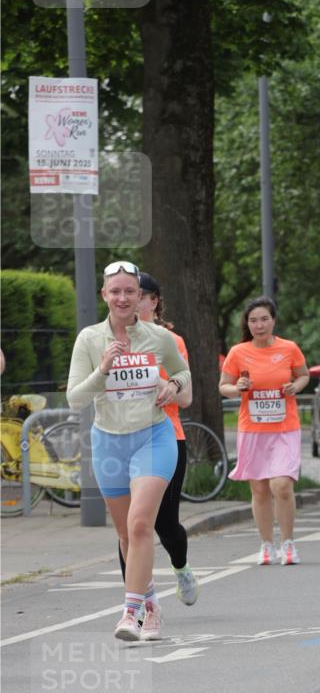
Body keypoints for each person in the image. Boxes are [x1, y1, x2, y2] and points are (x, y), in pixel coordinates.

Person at [67, 261, 191, 641]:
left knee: (141, 523)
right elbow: (75, 398)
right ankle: (152, 604)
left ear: (141, 297)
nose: (123, 298)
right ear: (104, 295)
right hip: (108, 442)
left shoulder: (159, 337)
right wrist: (103, 369)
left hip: (154, 438)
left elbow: (185, 380)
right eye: (115, 291)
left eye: (130, 292)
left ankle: (129, 612)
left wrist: (173, 386)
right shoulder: (89, 339)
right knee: (125, 533)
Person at [114, 272, 199, 609]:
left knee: (164, 524)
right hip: (122, 440)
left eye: (141, 295)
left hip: (166, 438)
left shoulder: (169, 341)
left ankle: (181, 567)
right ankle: (135, 603)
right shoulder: (108, 340)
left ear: (153, 301)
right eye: (124, 294)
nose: (132, 301)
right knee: (128, 527)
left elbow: (187, 397)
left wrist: (169, 388)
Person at [219, 296, 309, 566]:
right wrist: (238, 389)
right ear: (247, 324)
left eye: (264, 319)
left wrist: (296, 386)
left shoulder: (289, 348)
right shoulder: (238, 352)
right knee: (259, 490)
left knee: (281, 485)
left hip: (285, 427)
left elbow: (303, 374)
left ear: (273, 320)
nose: (259, 325)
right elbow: (224, 385)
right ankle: (267, 544)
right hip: (253, 428)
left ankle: (288, 542)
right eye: (253, 320)